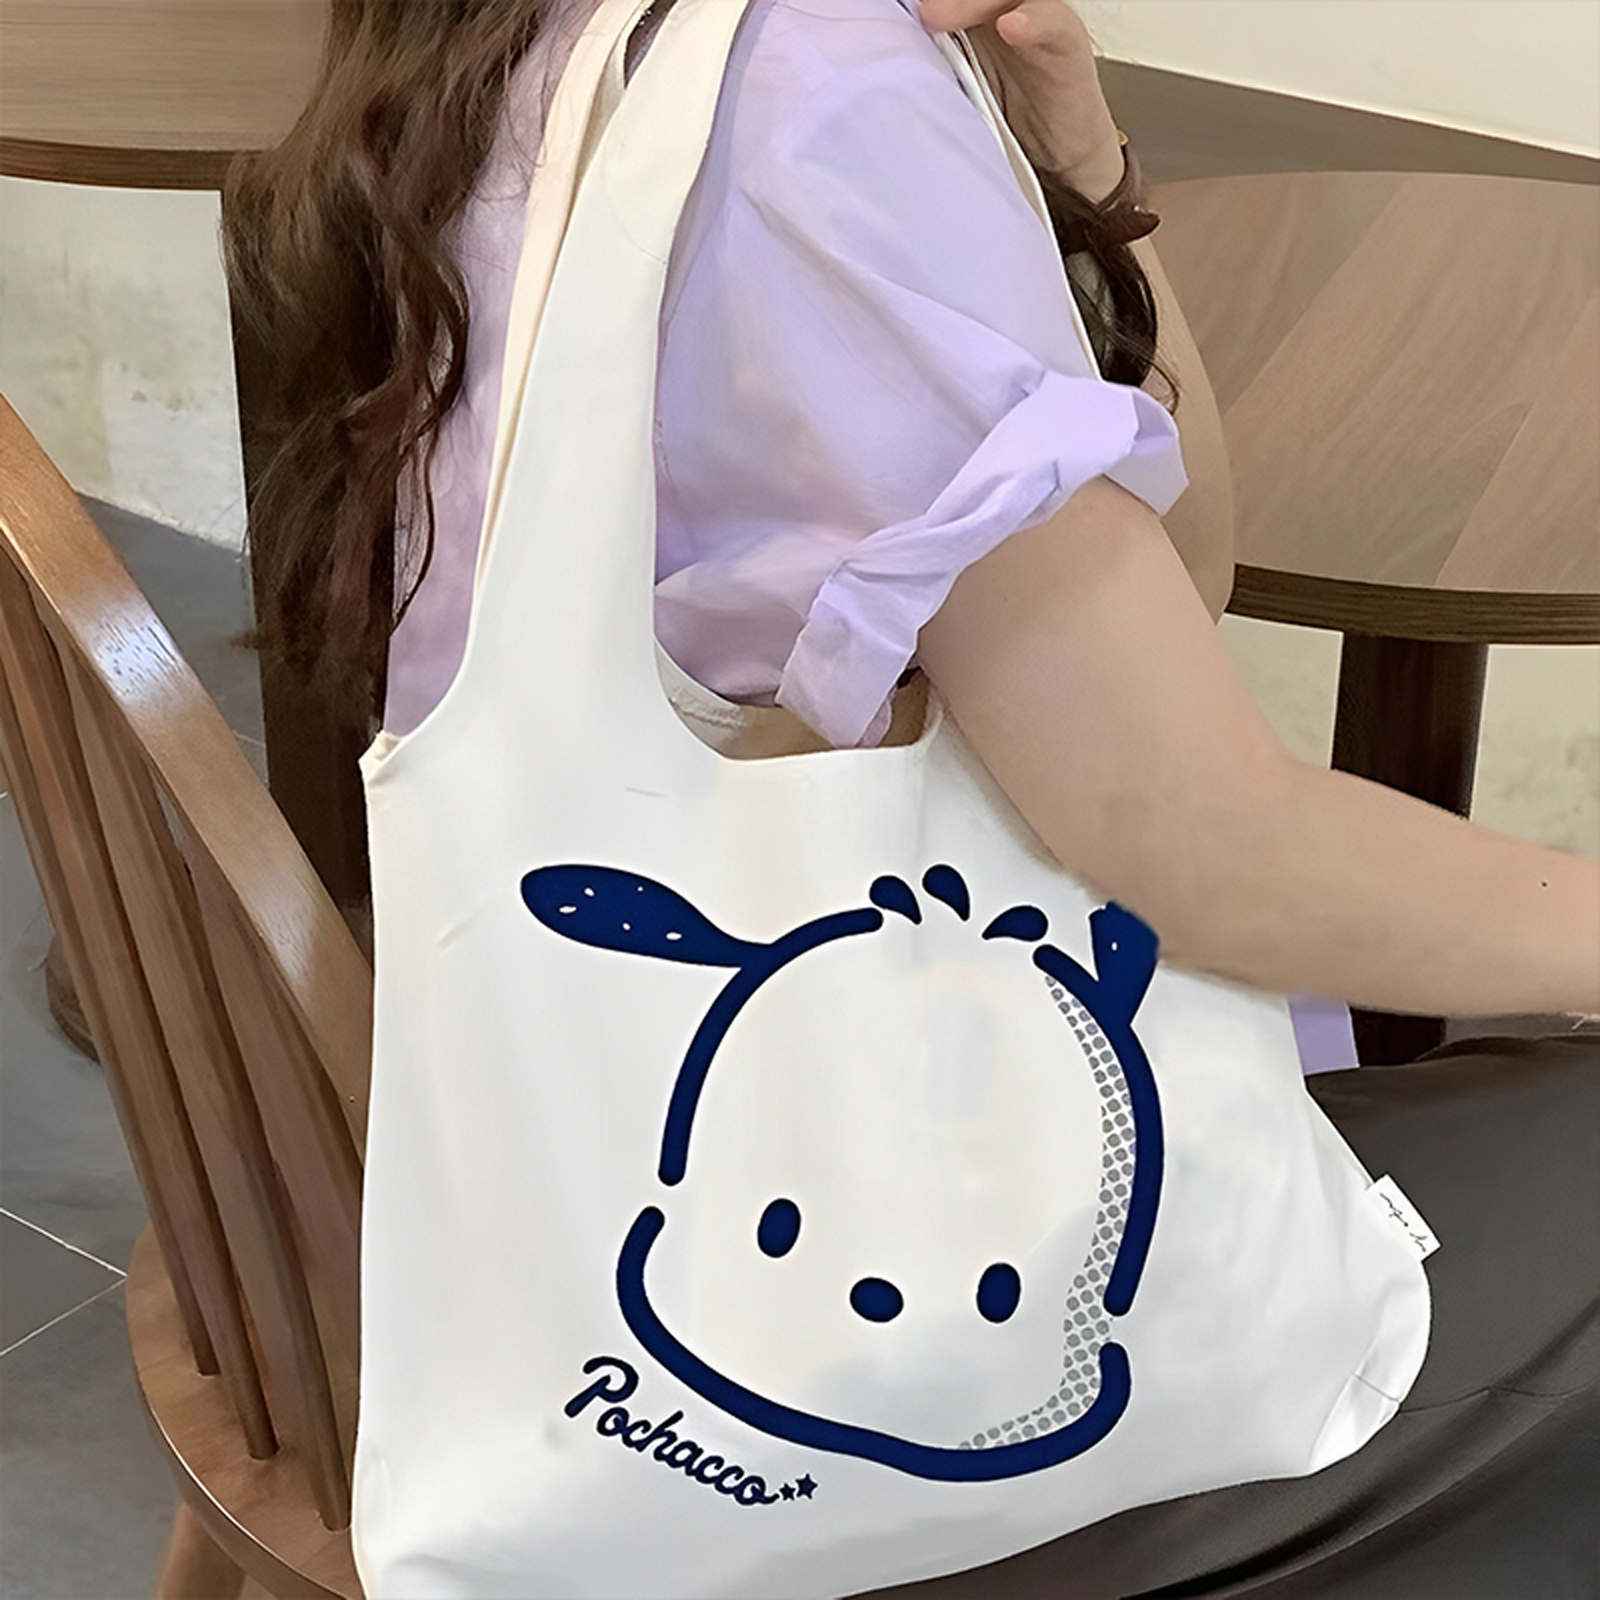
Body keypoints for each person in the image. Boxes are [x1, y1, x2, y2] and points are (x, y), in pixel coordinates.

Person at [225, 0, 1599, 1591]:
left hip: (569, 1188)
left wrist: (1076, 162)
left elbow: (1180, 570)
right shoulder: (814, 96)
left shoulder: (552, 47)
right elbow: (1216, 849)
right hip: (904, 1338)